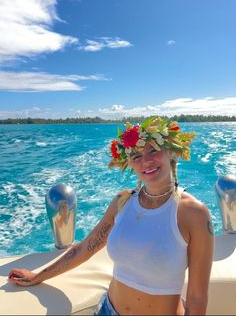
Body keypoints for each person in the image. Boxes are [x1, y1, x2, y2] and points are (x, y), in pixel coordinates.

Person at [8, 116, 214, 315]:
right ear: (130, 164)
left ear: (172, 152)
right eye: (136, 157)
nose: (147, 161)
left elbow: (197, 297)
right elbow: (85, 248)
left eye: (154, 150)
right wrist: (37, 276)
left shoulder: (194, 214)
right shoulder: (122, 201)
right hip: (107, 310)